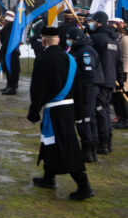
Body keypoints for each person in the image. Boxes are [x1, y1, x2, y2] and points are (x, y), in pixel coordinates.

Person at [27, 27, 94, 201]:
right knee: (49, 141)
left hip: (55, 109)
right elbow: (78, 89)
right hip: (69, 108)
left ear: (43, 41)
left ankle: (83, 185)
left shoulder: (43, 59)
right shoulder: (71, 59)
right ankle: (49, 177)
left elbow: (38, 89)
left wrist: (34, 111)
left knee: (67, 146)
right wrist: (79, 112)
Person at [87, 11, 124, 154]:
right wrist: (120, 80)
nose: (90, 24)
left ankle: (102, 143)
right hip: (110, 81)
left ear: (99, 22)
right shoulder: (113, 40)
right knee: (105, 111)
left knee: (100, 111)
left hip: (99, 81)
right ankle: (106, 141)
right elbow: (119, 62)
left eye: (92, 22)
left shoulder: (97, 38)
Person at [66, 27, 103, 163]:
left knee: (86, 119)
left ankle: (88, 151)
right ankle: (90, 149)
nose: (68, 41)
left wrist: (83, 93)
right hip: (84, 89)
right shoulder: (79, 49)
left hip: (87, 90)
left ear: (77, 39)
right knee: (88, 119)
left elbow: (88, 73)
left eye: (70, 39)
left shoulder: (85, 51)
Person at [109, 18, 128, 130]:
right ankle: (121, 117)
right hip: (118, 70)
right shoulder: (118, 37)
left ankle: (124, 119)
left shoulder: (124, 38)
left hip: (124, 72)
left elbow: (126, 56)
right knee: (118, 96)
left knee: (122, 96)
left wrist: (124, 73)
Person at [0, 10, 19, 95]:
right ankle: (9, 85)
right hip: (8, 52)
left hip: (10, 52)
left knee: (12, 70)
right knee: (8, 69)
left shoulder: (10, 28)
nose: (4, 20)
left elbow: (7, 41)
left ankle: (12, 87)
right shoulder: (8, 27)